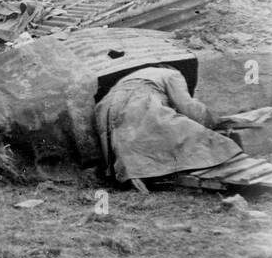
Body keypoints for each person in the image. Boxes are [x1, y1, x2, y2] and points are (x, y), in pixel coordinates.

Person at [95, 64, 241, 192]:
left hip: (105, 107)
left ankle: (133, 177)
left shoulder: (136, 75)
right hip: (138, 100)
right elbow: (186, 106)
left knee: (126, 141)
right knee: (190, 133)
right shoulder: (173, 74)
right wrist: (211, 121)